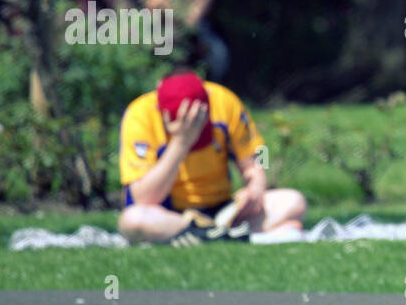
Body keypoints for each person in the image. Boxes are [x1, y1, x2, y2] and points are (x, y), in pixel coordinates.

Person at [117, 65, 306, 245]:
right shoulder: (139, 115)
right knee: (132, 220)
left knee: (294, 201)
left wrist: (256, 186)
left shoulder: (224, 100)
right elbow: (143, 198)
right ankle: (226, 236)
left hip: (224, 212)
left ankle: (208, 236)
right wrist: (181, 143)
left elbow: (260, 154)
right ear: (161, 112)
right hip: (173, 217)